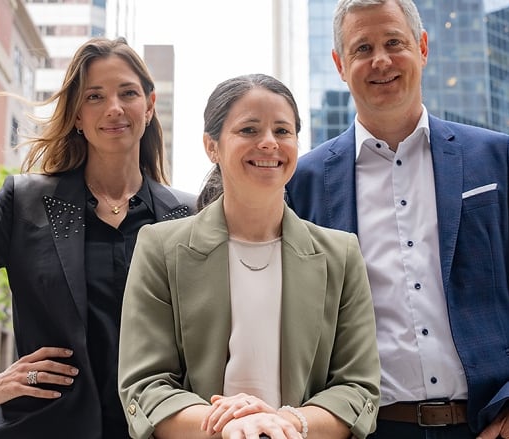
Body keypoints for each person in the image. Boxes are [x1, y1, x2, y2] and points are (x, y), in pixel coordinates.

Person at [284, 1, 509, 438]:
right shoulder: (304, 181)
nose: (380, 60)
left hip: (494, 422)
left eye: (394, 42)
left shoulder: (493, 156)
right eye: (362, 47)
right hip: (369, 427)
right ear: (339, 64)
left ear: (422, 47)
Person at [0, 37, 195, 438]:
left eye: (128, 93)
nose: (114, 108)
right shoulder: (24, 203)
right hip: (41, 428)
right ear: (76, 115)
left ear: (150, 104)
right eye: (94, 96)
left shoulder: (189, 215)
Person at [117, 73, 381, 439]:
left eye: (283, 131)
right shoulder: (161, 247)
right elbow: (146, 387)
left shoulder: (341, 253)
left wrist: (286, 423)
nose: (269, 143)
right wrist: (233, 426)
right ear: (212, 146)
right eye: (249, 130)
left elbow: (357, 388)